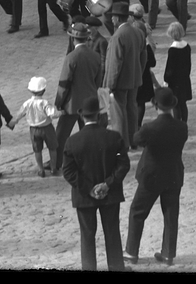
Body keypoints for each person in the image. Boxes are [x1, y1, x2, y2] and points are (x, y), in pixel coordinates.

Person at [61, 95, 130, 272]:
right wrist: (107, 184)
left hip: (84, 197)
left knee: (87, 235)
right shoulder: (113, 137)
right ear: (99, 116)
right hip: (110, 194)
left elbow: (68, 171)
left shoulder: (72, 141)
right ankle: (116, 268)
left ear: (82, 117)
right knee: (112, 233)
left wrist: (88, 189)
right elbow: (123, 164)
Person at [124, 88, 188, 266]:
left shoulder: (149, 128)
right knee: (170, 215)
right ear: (172, 105)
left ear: (155, 105)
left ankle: (131, 252)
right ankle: (168, 254)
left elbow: (136, 139)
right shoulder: (182, 127)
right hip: (173, 175)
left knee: (137, 212)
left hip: (151, 176)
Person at [56, 21, 104, 152]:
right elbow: (98, 81)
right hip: (89, 102)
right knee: (89, 135)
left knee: (61, 135)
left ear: (72, 38)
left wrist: (59, 102)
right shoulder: (95, 56)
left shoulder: (71, 57)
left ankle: (56, 162)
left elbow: (64, 83)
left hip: (72, 103)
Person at [105, 1, 147, 150]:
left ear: (117, 18)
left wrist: (110, 84)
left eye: (113, 17)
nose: (111, 20)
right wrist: (138, 72)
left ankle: (122, 143)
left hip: (121, 81)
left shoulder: (118, 36)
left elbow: (114, 63)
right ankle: (133, 139)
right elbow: (144, 56)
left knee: (118, 113)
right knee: (131, 109)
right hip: (134, 78)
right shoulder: (138, 32)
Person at [11, 77, 59, 177]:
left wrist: (13, 122)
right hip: (47, 128)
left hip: (33, 129)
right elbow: (53, 114)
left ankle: (41, 170)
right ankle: (53, 168)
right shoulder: (45, 103)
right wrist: (61, 113)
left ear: (30, 90)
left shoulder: (27, 103)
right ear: (44, 90)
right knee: (52, 148)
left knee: (37, 150)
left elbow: (19, 114)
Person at [162, 21, 192, 123]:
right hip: (184, 78)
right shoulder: (187, 46)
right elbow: (189, 64)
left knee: (175, 104)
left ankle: (177, 124)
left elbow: (170, 67)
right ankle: (184, 123)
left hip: (175, 82)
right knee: (183, 104)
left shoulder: (173, 49)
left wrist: (166, 79)